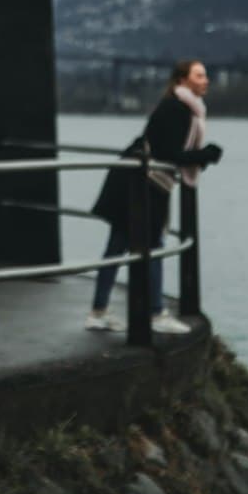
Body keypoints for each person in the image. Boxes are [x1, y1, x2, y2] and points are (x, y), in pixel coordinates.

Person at [85, 59, 223, 335]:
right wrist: (206, 154)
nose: (205, 80)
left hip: (134, 180)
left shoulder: (180, 107)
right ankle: (156, 313)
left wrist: (201, 155)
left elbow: (168, 151)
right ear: (182, 80)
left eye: (205, 75)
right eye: (199, 76)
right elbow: (169, 153)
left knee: (118, 246)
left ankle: (99, 312)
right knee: (152, 246)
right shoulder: (178, 109)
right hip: (143, 185)